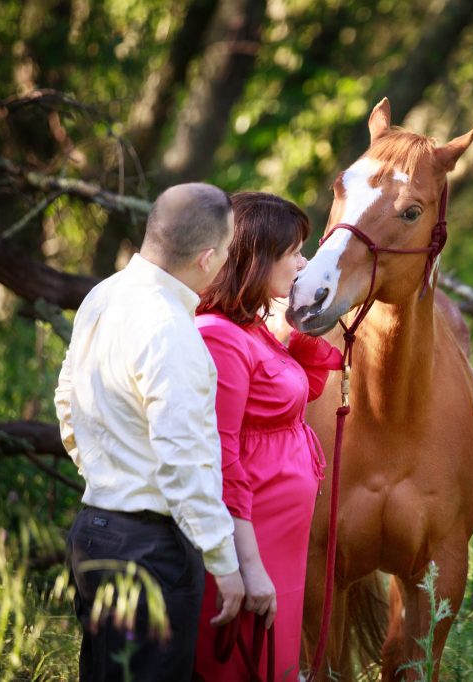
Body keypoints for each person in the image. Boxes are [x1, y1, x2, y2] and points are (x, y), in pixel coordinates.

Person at [55, 183, 246, 682]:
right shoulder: (170, 328)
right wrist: (225, 561)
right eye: (226, 252)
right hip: (149, 550)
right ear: (207, 258)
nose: (225, 262)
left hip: (94, 529)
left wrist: (105, 474)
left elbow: (66, 397)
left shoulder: (104, 294)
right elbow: (183, 460)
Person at [192, 192, 342, 681]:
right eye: (294, 252)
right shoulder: (220, 337)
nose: (303, 263)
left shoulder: (253, 329)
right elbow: (222, 454)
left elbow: (303, 389)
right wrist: (248, 565)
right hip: (254, 530)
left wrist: (294, 333)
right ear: (257, 260)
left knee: (276, 655)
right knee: (246, 660)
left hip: (283, 530)